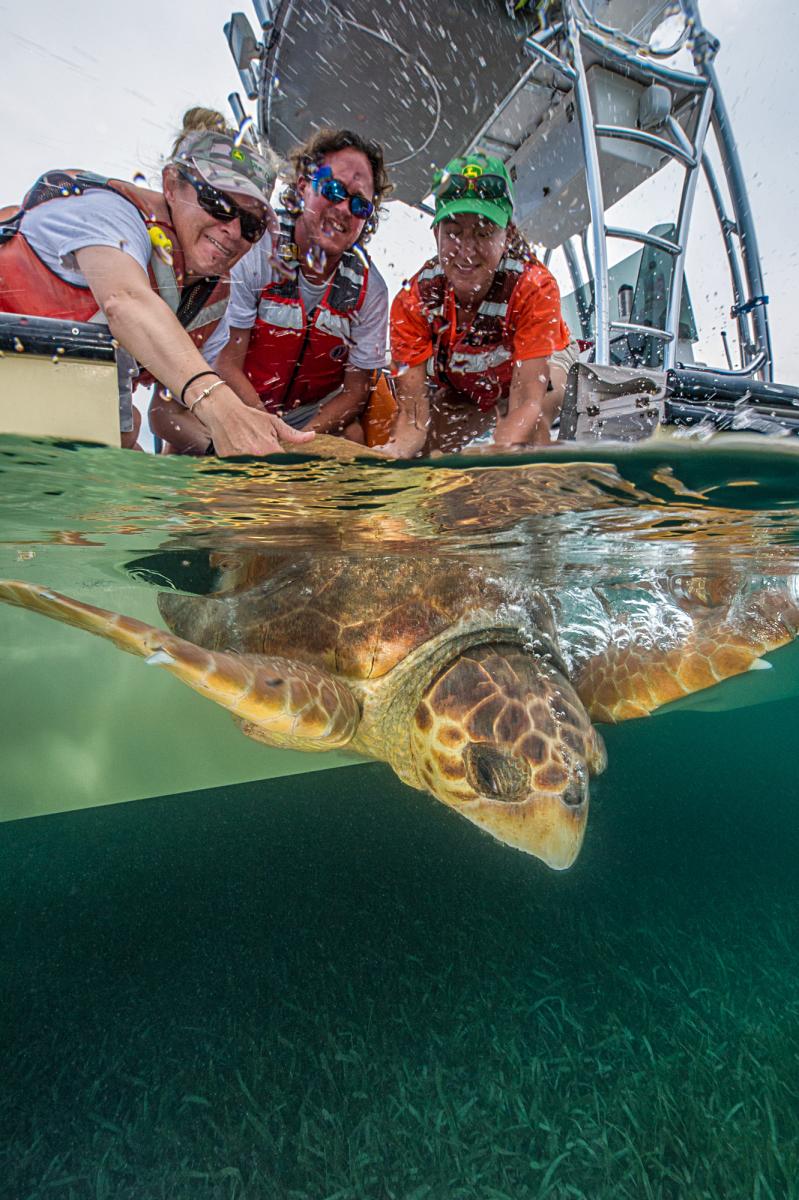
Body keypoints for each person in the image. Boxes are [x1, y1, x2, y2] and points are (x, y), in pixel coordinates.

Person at [0, 107, 314, 457]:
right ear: (171, 184)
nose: (234, 231)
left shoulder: (212, 301)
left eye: (251, 225)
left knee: (126, 437)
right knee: (123, 428)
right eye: (217, 203)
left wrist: (247, 454)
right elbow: (125, 301)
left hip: (61, 420)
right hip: (21, 379)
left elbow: (170, 411)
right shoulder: (107, 212)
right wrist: (217, 403)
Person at [185, 128, 391, 444]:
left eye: (360, 205)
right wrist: (265, 431)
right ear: (303, 185)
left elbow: (355, 392)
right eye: (333, 190)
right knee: (170, 417)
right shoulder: (255, 251)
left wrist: (298, 439)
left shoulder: (371, 291)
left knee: (353, 434)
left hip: (306, 417)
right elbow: (226, 362)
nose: (344, 209)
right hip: (237, 398)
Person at [382, 153, 577, 457]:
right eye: (454, 233)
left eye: (484, 233)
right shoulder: (413, 303)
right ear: (437, 234)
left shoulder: (534, 286)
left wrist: (500, 458)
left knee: (531, 426)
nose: (466, 251)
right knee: (430, 449)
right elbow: (412, 422)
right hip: (470, 379)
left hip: (537, 368)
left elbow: (526, 402)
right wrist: (391, 460)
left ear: (507, 235)